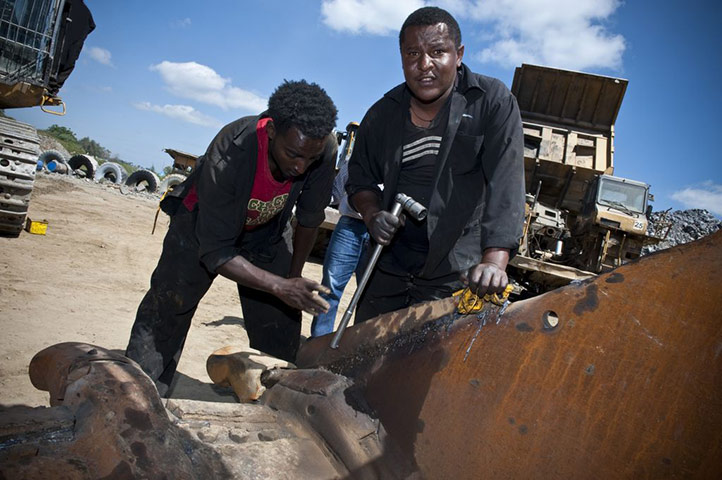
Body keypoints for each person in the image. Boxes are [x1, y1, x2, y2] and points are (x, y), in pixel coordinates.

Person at [126, 80, 338, 396]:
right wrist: (279, 285)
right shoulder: (231, 151)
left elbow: (309, 220)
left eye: (310, 158)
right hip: (199, 228)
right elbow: (216, 252)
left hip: (267, 233)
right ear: (271, 132)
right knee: (168, 309)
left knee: (280, 324)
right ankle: (139, 397)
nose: (300, 166)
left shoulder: (322, 148)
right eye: (293, 154)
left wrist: (291, 280)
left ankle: (274, 400)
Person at [346, 6, 526, 322]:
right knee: (362, 357)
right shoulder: (383, 114)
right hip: (388, 263)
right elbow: (359, 177)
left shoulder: (492, 101)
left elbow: (506, 181)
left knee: (430, 364)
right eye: (412, 53)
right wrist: (372, 214)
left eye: (437, 52)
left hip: (456, 270)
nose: (424, 65)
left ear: (458, 55)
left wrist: (495, 262)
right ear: (401, 57)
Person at [310, 123, 370, 337]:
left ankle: (358, 344)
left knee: (370, 293)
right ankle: (319, 341)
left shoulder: (397, 163)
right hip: (350, 226)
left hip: (379, 234)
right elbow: (336, 193)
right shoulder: (351, 162)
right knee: (331, 287)